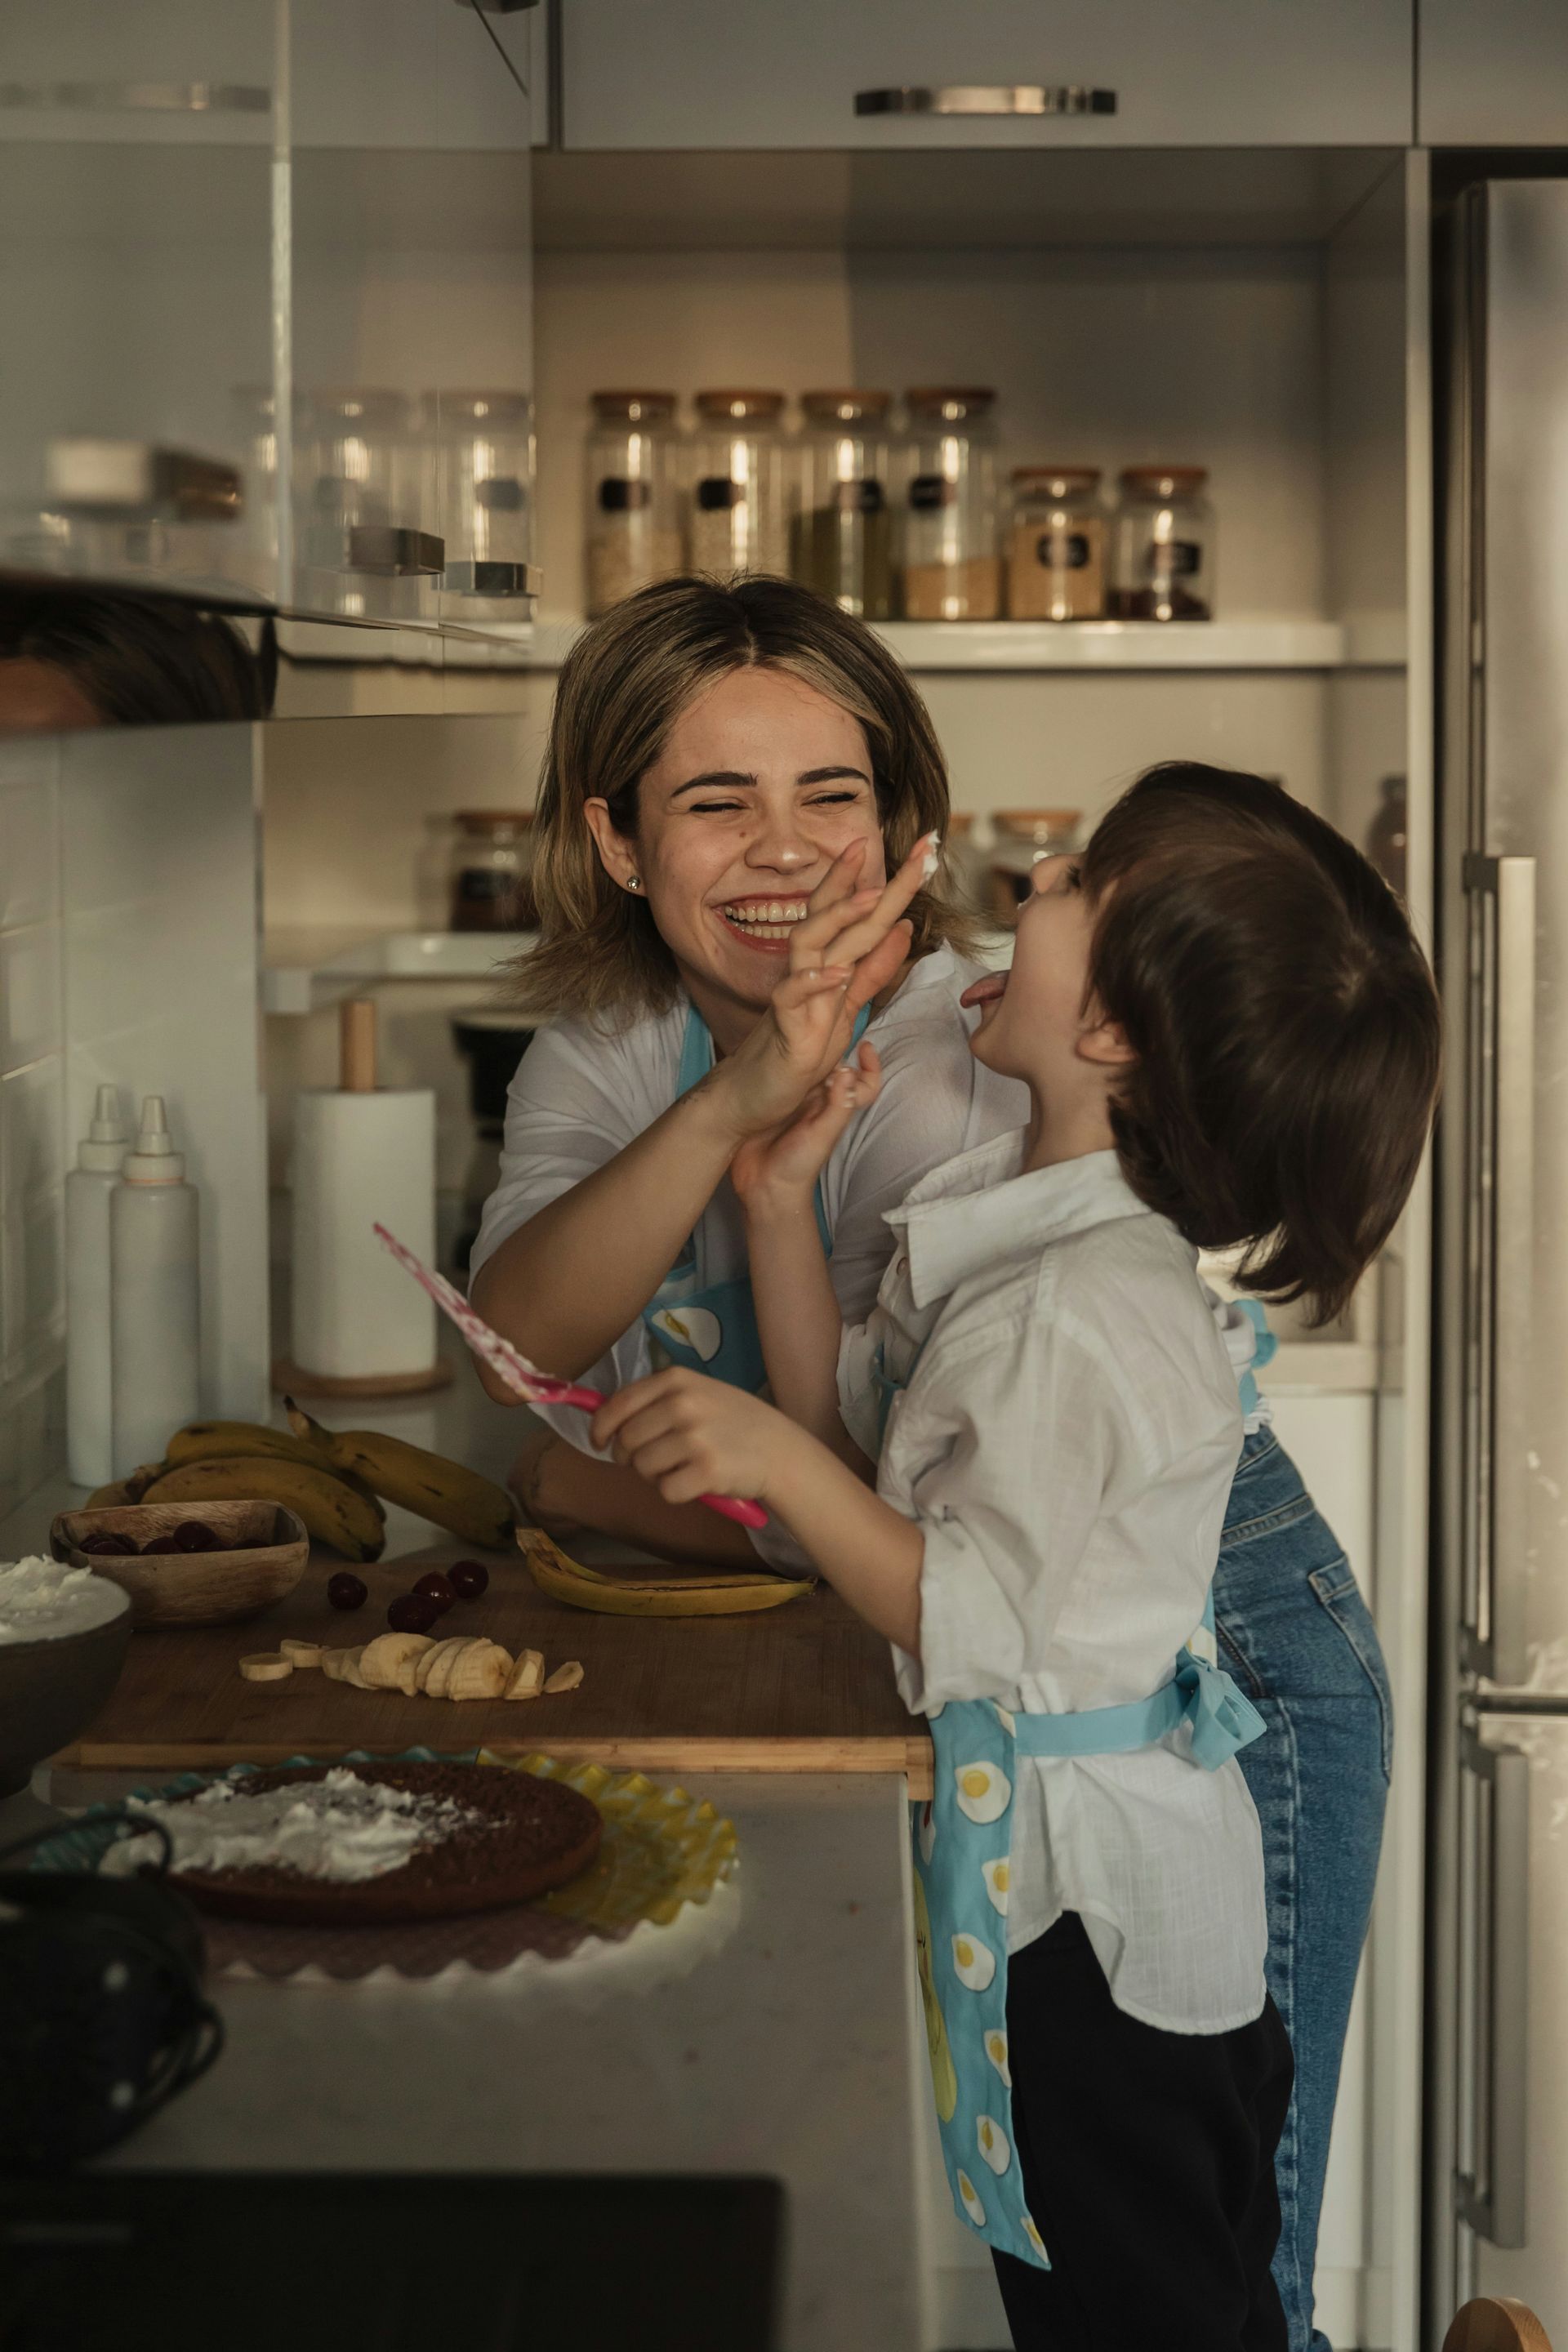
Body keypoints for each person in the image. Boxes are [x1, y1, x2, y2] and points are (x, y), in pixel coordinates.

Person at [468, 573, 1397, 2350]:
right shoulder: (607, 1052)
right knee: (1066, 2210)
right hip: (977, 1658)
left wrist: (611, 1479)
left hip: (1181, 1633)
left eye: (836, 795)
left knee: (1209, 2248)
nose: (787, 853)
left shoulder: (1003, 1038)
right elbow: (543, 1337)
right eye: (713, 799)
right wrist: (744, 1126)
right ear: (615, 836)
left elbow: (880, 1487)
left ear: (905, 823)